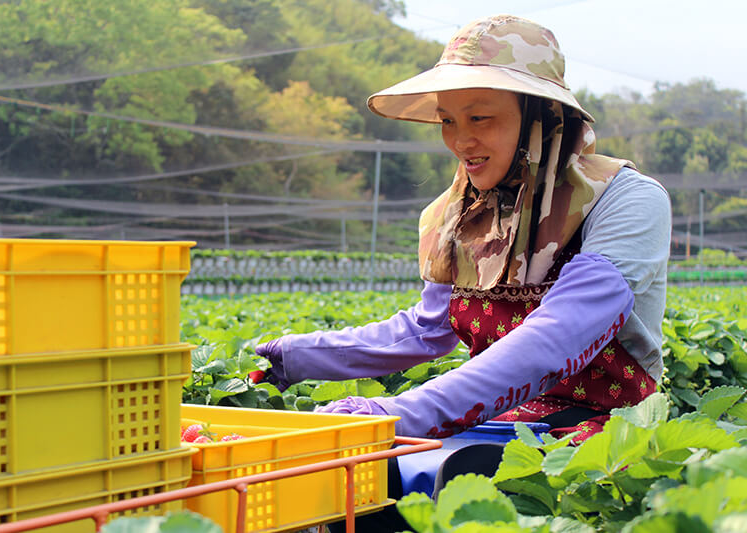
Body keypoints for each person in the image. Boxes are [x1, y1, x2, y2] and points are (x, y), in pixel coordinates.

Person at [254, 14, 670, 531]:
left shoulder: (625, 201)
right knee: (359, 488)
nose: (460, 140)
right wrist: (295, 357)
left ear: (540, 115)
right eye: (448, 120)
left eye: (481, 118)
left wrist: (400, 413)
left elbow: (563, 334)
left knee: (438, 484)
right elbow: (427, 328)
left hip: (606, 432)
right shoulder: (457, 216)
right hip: (501, 421)